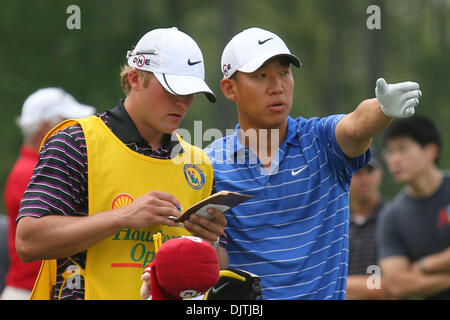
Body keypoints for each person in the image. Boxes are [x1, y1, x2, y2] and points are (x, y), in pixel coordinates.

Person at [205, 27, 422, 299]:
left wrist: (383, 109)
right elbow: (212, 271)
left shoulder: (321, 141)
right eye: (261, 76)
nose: (277, 87)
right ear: (229, 88)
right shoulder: (211, 164)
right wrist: (209, 239)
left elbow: (355, 125)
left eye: (284, 73)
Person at [15, 27, 226, 300]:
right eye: (173, 89)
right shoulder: (77, 142)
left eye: (191, 92)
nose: (183, 102)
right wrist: (123, 217)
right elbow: (28, 240)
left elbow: (214, 270)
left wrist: (212, 241)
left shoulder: (199, 164)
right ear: (135, 78)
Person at [1, 88, 95, 300]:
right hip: (31, 291)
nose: (76, 130)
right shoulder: (33, 171)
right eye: (67, 122)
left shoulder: (32, 167)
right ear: (46, 127)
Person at [377, 116, 450, 299]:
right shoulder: (392, 216)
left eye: (403, 149)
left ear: (430, 151)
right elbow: (397, 284)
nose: (394, 159)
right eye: (390, 152)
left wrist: (425, 264)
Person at [346, 156, 391, 299]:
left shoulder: (394, 219)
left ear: (380, 174)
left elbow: (393, 286)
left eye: (369, 171)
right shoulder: (336, 224)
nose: (363, 178)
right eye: (357, 172)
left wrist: (336, 285)